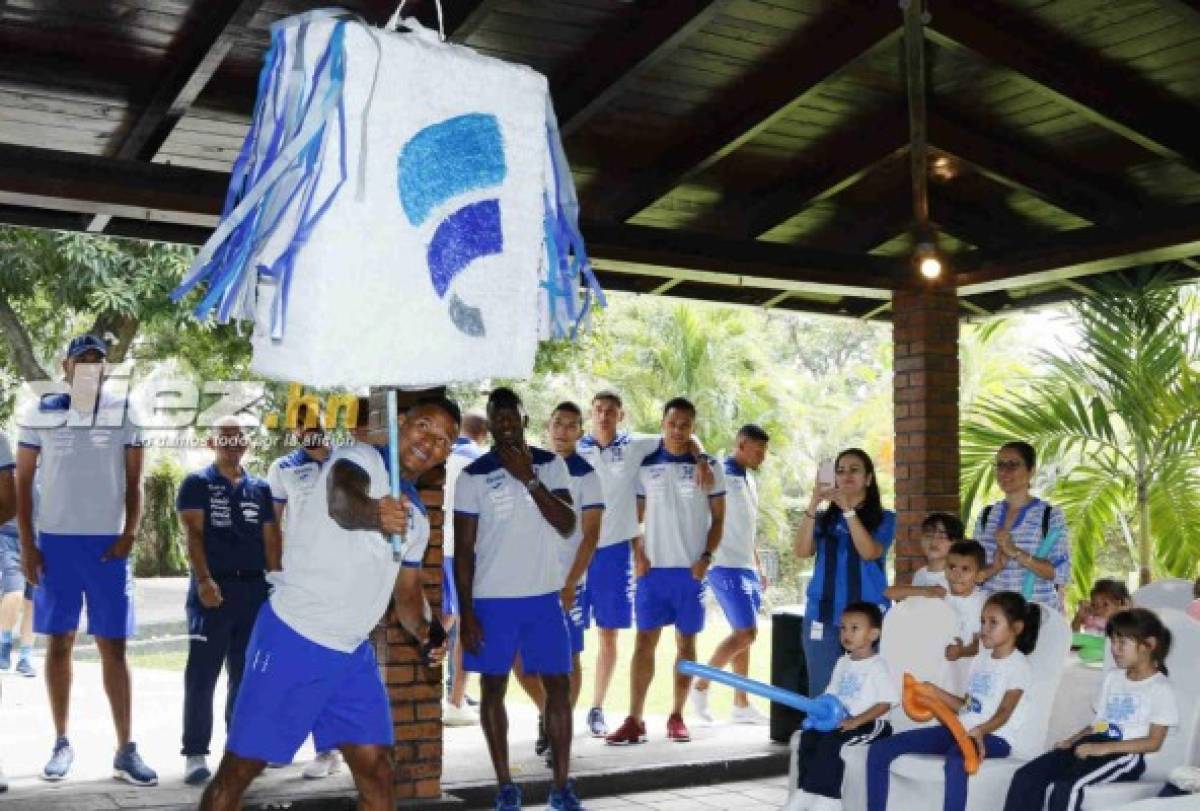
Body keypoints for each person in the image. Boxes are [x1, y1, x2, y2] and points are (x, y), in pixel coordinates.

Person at [198, 395, 458, 811]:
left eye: (446, 439)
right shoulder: (357, 460)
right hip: (293, 638)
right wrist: (376, 513)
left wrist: (429, 632)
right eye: (425, 426)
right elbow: (342, 502)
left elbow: (408, 595)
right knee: (239, 770)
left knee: (378, 769)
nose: (431, 441)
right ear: (402, 422)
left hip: (352, 654)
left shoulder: (419, 520)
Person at [16, 334, 157, 785]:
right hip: (55, 544)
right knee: (58, 643)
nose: (90, 368)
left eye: (98, 361)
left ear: (106, 369)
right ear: (66, 366)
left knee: (113, 646)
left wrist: (131, 533)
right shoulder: (42, 412)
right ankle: (61, 742)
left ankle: (125, 749)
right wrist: (28, 544)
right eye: (82, 361)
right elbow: (20, 484)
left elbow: (135, 481)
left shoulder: (125, 413)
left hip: (107, 547)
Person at [454, 388, 580, 811]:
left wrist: (529, 477)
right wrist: (467, 611)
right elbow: (464, 551)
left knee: (559, 688)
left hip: (543, 598)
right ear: (489, 425)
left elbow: (566, 522)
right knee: (493, 688)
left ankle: (561, 787)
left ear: (525, 420)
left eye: (513, 418)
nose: (506, 426)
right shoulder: (472, 476)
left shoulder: (551, 464)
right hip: (492, 601)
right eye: (498, 419)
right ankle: (506, 784)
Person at [606, 397, 726, 747]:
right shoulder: (644, 463)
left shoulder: (709, 467)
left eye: (685, 425)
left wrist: (705, 557)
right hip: (652, 572)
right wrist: (637, 552)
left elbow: (719, 519)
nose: (677, 430)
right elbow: (634, 515)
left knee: (686, 644)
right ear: (662, 424)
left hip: (690, 573)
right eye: (672, 423)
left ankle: (677, 715)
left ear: (693, 428)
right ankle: (635, 719)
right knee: (643, 644)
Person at [867, 591, 1042, 811]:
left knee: (956, 761)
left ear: (1016, 628)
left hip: (993, 738)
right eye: (982, 621)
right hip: (959, 730)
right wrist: (935, 692)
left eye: (993, 623)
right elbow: (967, 707)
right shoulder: (980, 660)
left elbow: (1005, 711)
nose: (984, 629)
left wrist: (981, 730)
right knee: (880, 749)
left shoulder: (1018, 666)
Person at [177, 417, 281, 785]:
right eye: (226, 437)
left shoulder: (261, 488)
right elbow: (193, 533)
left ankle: (239, 751)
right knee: (202, 674)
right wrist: (204, 580)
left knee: (246, 674)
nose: (234, 443)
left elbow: (271, 540)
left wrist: (277, 583)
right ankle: (194, 752)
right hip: (212, 591)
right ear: (212, 443)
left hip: (254, 592)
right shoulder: (197, 483)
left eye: (240, 437)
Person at [1004, 607, 1178, 811]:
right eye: (1113, 641)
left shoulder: (1160, 687)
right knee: (1026, 776)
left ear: (1148, 645)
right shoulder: (1113, 678)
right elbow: (1097, 725)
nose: (1114, 649)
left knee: (1067, 787)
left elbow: (1153, 742)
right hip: (1093, 743)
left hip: (1124, 755)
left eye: (1122, 642)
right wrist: (1071, 741)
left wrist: (1104, 748)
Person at [514, 401, 605, 764]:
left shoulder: (587, 475)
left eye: (571, 425)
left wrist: (570, 582)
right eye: (557, 424)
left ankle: (560, 732)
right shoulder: (532, 467)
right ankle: (548, 715)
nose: (563, 431)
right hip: (526, 582)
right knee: (520, 662)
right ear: (547, 428)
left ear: (581, 432)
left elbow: (591, 535)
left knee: (566, 660)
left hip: (566, 583)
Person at [265, 405, 343, 778]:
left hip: (337, 578)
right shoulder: (282, 468)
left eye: (314, 422)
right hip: (296, 579)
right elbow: (273, 524)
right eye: (300, 425)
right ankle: (284, 742)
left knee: (325, 661)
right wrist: (276, 571)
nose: (308, 430)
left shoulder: (344, 460)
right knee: (291, 662)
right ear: (293, 430)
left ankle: (328, 749)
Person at [792, 448, 895, 695]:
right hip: (823, 615)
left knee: (866, 693)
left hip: (867, 618)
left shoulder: (885, 518)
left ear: (868, 479)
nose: (846, 475)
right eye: (840, 471)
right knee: (822, 693)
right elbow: (802, 550)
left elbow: (869, 552)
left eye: (854, 470)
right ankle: (824, 735)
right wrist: (815, 501)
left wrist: (849, 511)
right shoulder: (823, 518)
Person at [689, 424, 771, 725]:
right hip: (723, 565)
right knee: (746, 633)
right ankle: (700, 685)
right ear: (741, 444)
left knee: (745, 635)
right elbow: (702, 514)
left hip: (746, 566)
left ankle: (741, 704)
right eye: (757, 448)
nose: (762, 455)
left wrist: (757, 564)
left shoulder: (750, 478)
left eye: (765, 449)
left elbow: (746, 526)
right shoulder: (718, 472)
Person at [787, 601, 896, 811]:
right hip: (840, 721)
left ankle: (829, 801)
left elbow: (885, 703)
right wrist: (817, 714)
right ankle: (805, 793)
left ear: (873, 634)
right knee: (808, 738)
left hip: (872, 723)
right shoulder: (842, 662)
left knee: (832, 743)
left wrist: (856, 721)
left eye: (855, 628)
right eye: (843, 627)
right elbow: (830, 694)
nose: (847, 633)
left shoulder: (877, 666)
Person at [975, 441, 1070, 611]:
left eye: (1013, 465)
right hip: (993, 619)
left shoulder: (1050, 516)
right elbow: (975, 573)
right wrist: (994, 567)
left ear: (1031, 470)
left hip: (1036, 617)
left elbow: (1060, 574)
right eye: (1000, 465)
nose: (1004, 471)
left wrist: (1016, 552)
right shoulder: (987, 515)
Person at [443, 409, 487, 727]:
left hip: (435, 549)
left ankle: (449, 696)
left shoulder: (440, 455)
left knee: (446, 618)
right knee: (465, 625)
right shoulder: (480, 459)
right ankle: (456, 701)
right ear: (483, 434)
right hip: (466, 552)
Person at [0, 429, 35, 677]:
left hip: (41, 541)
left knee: (34, 602)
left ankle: (25, 656)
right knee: (13, 593)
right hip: (10, 538)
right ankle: (3, 645)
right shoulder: (10, 468)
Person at [884, 512, 962, 602]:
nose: (933, 541)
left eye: (942, 537)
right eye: (929, 536)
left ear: (956, 543)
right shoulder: (920, 574)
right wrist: (926, 591)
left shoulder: (959, 575)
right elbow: (889, 593)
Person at [943, 540, 987, 663]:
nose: (957, 574)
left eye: (965, 569)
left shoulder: (984, 605)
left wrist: (962, 651)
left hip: (967, 672)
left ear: (980, 576)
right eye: (952, 567)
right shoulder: (939, 595)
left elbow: (983, 644)